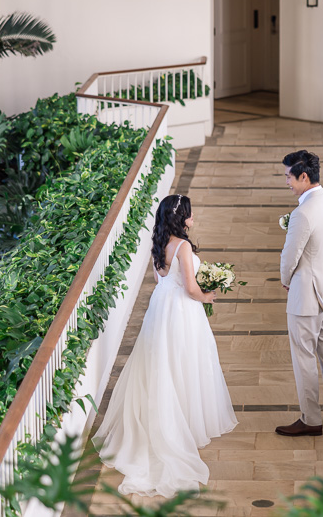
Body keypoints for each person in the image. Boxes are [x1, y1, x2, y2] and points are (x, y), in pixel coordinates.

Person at [95, 194, 237, 497]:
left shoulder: (158, 244)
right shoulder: (183, 246)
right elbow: (189, 287)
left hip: (160, 307)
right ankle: (182, 422)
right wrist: (208, 295)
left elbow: (163, 280)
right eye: (190, 214)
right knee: (185, 359)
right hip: (183, 310)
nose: (193, 218)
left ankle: (165, 415)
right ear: (180, 218)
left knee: (160, 361)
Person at [276, 150, 323, 437]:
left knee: (305, 356)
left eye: (288, 176)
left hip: (307, 294)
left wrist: (286, 280)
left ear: (304, 176)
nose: (287, 182)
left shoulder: (303, 212)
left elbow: (290, 255)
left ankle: (310, 419)